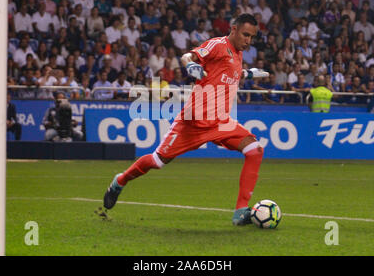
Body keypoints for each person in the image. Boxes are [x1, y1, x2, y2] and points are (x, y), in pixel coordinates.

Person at [103, 14, 270, 226]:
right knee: (157, 161)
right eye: (245, 35)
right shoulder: (218, 45)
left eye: (252, 37)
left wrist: (249, 74)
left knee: (255, 150)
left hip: (221, 122)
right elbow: (187, 56)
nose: (248, 40)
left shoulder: (237, 54)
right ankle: (120, 181)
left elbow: (229, 73)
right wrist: (191, 66)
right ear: (234, 29)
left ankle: (240, 212)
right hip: (194, 122)